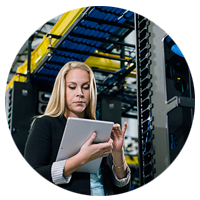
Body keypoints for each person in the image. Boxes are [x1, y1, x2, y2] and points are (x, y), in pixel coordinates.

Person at [23, 61, 131, 196]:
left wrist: (117, 153)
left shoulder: (100, 129)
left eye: (85, 87)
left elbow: (122, 191)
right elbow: (31, 180)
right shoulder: (45, 125)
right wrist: (80, 159)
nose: (80, 93)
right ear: (61, 90)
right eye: (72, 87)